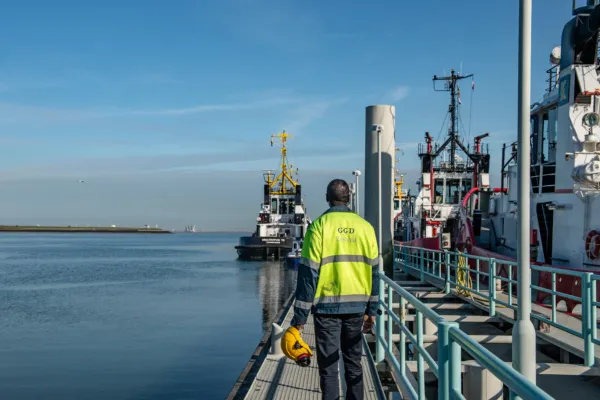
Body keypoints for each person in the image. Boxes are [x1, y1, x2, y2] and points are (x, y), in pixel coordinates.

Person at [290, 178, 379, 400]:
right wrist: (373, 310)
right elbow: (375, 273)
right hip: (357, 308)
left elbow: (308, 274)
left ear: (327, 199)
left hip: (327, 309)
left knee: (329, 369)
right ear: (349, 198)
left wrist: (300, 317)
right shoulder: (366, 228)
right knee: (354, 364)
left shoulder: (319, 226)